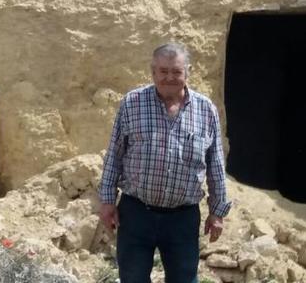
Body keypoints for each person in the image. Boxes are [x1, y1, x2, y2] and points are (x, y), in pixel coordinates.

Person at [98, 42, 231, 283]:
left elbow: (216, 166)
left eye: (176, 72)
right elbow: (115, 155)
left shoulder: (206, 110)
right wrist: (107, 200)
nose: (169, 77)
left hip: (183, 219)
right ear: (153, 72)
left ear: (187, 72)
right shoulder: (132, 103)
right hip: (136, 214)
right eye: (163, 71)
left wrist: (217, 212)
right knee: (133, 279)